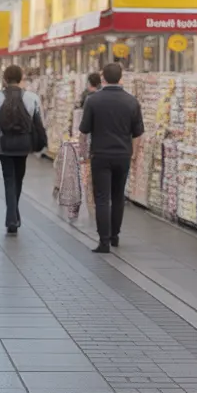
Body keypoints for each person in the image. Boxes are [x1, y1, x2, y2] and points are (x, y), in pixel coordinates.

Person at [78, 63, 144, 253]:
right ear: (121, 77)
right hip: (123, 155)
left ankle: (104, 241)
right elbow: (138, 134)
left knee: (102, 197)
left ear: (103, 78)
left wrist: (83, 154)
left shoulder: (93, 100)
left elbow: (83, 132)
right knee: (118, 196)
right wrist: (134, 156)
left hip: (100, 155)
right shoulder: (132, 101)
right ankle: (115, 236)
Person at [0, 64, 47, 234]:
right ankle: (14, 213)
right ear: (21, 78)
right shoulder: (31, 97)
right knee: (18, 178)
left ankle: (11, 216)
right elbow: (39, 120)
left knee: (8, 179)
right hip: (23, 144)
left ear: (5, 79)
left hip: (5, 144)